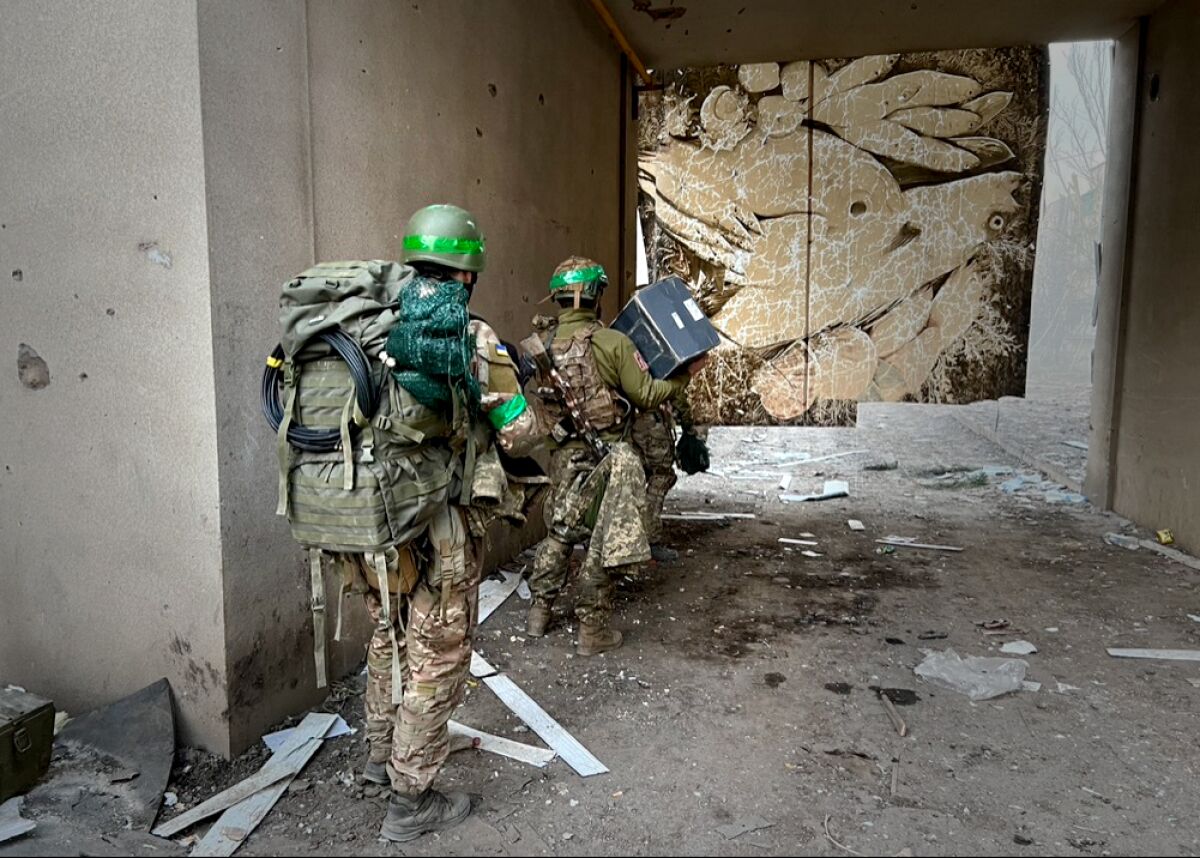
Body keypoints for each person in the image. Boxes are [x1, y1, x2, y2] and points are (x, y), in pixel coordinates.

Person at [349, 204, 539, 842]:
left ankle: (382, 760)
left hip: (378, 524)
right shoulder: (475, 338)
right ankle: (411, 800)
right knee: (438, 653)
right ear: (468, 271)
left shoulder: (374, 330)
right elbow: (519, 431)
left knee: (388, 636)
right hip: (441, 527)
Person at [524, 256, 704, 653]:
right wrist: (681, 378)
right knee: (602, 541)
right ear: (595, 296)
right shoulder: (612, 342)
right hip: (606, 458)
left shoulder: (545, 346)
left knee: (559, 531)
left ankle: (539, 612)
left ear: (557, 298)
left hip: (563, 457)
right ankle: (592, 631)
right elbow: (646, 395)